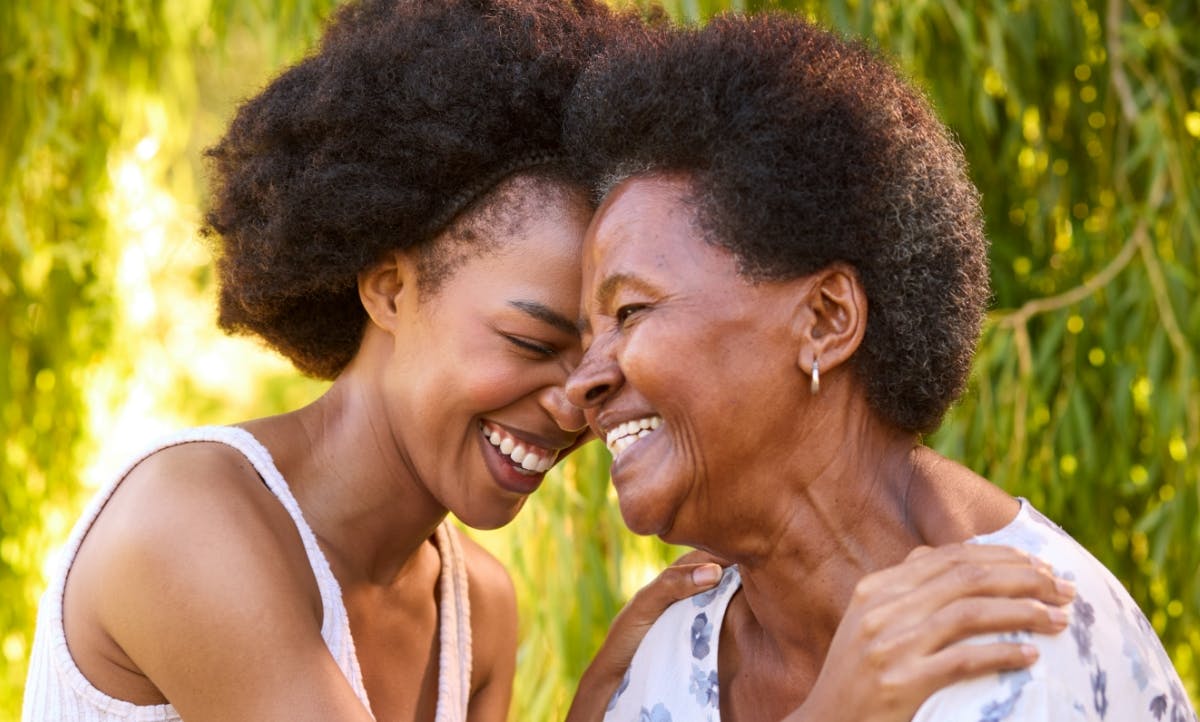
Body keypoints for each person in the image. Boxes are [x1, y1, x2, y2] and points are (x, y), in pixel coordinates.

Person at [23, 2, 1073, 721]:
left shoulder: (476, 610)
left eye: (613, 333)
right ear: (387, 285)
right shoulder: (192, 521)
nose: (579, 394)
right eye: (532, 338)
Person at [562, 12, 1197, 722]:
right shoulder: (661, 666)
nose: (581, 382)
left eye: (630, 313)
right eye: (584, 334)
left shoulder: (1026, 644)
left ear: (827, 319)